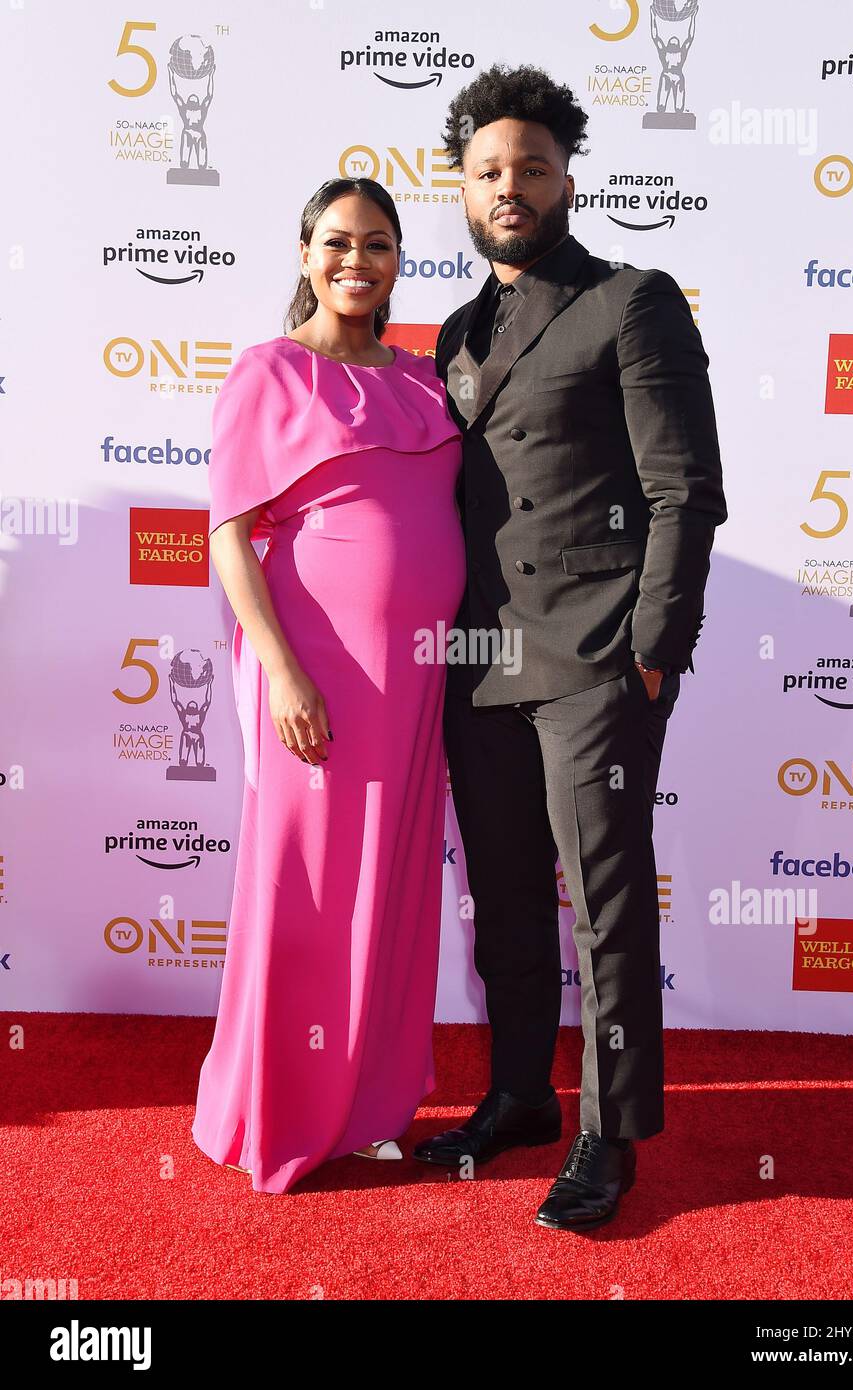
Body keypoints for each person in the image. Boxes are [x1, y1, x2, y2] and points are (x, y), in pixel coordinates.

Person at [413, 64, 728, 1231]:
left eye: (532, 168)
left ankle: (610, 1131)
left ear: (568, 180)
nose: (511, 186)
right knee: (502, 896)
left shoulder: (632, 298)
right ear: (464, 187)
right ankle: (518, 1095)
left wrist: (653, 650)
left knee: (603, 907)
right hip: (479, 661)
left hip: (595, 661)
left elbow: (682, 490)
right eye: (489, 170)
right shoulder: (454, 330)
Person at [191, 178, 466, 1194]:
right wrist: (282, 671)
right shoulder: (272, 373)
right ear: (305, 251)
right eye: (339, 242)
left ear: (398, 261)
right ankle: (281, 1109)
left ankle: (371, 1105)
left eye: (379, 244)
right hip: (319, 677)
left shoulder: (431, 382)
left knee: (388, 891)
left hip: (419, 684)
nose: (359, 259)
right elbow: (230, 536)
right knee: (302, 890)